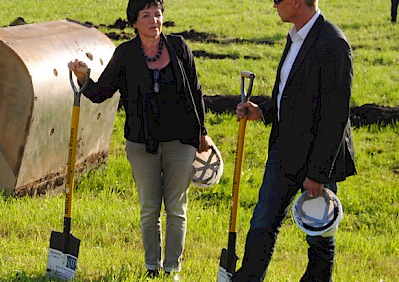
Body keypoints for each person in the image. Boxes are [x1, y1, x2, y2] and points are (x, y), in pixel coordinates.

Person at [68, 0, 209, 279]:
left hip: (180, 142)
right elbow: (100, 92)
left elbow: (195, 91)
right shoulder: (126, 54)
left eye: (157, 14)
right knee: (149, 208)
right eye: (146, 15)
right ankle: (151, 268)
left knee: (177, 208)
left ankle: (172, 269)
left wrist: (201, 133)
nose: (153, 21)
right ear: (134, 22)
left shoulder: (179, 48)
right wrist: (83, 77)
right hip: (141, 144)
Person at [233, 0, 356, 281]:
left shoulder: (333, 43)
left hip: (317, 158)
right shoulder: (295, 37)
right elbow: (287, 93)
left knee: (319, 232)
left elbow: (335, 115)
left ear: (297, 1)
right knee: (263, 222)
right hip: (284, 152)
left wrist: (318, 173)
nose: (273, 4)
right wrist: (262, 110)